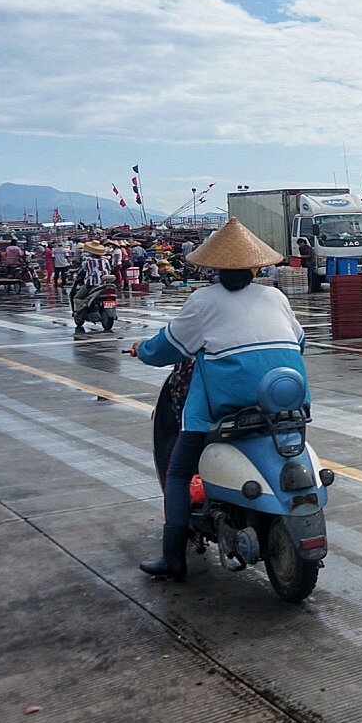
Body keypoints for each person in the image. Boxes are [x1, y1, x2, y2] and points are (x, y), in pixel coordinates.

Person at [131, 218, 307, 580]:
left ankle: (172, 558)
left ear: (214, 268)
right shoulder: (276, 297)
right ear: (255, 267)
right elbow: (299, 342)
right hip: (286, 401)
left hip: (225, 407)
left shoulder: (202, 301)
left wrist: (140, 349)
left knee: (179, 472)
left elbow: (165, 348)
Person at [70, 242, 110, 331]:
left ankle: (84, 304)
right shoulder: (105, 260)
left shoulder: (88, 261)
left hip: (91, 284)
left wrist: (76, 272)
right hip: (105, 284)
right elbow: (109, 269)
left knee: (76, 298)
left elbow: (81, 270)